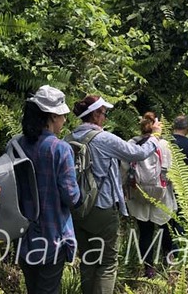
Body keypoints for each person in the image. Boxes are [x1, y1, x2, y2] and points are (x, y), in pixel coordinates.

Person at [69, 95, 157, 294]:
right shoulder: (104, 138)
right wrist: (155, 138)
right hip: (102, 207)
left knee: (88, 259)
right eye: (103, 113)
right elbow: (137, 152)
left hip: (77, 208)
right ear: (95, 115)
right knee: (107, 262)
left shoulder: (70, 137)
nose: (105, 118)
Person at [17, 85, 80, 294]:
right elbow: (71, 196)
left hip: (23, 235)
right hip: (52, 236)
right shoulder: (60, 149)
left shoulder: (17, 145)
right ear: (52, 116)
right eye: (62, 115)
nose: (64, 121)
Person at [124, 112, 177, 278]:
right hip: (162, 195)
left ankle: (149, 268)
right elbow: (172, 172)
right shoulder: (164, 145)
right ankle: (170, 263)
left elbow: (124, 171)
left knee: (145, 233)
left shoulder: (132, 143)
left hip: (139, 196)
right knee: (165, 230)